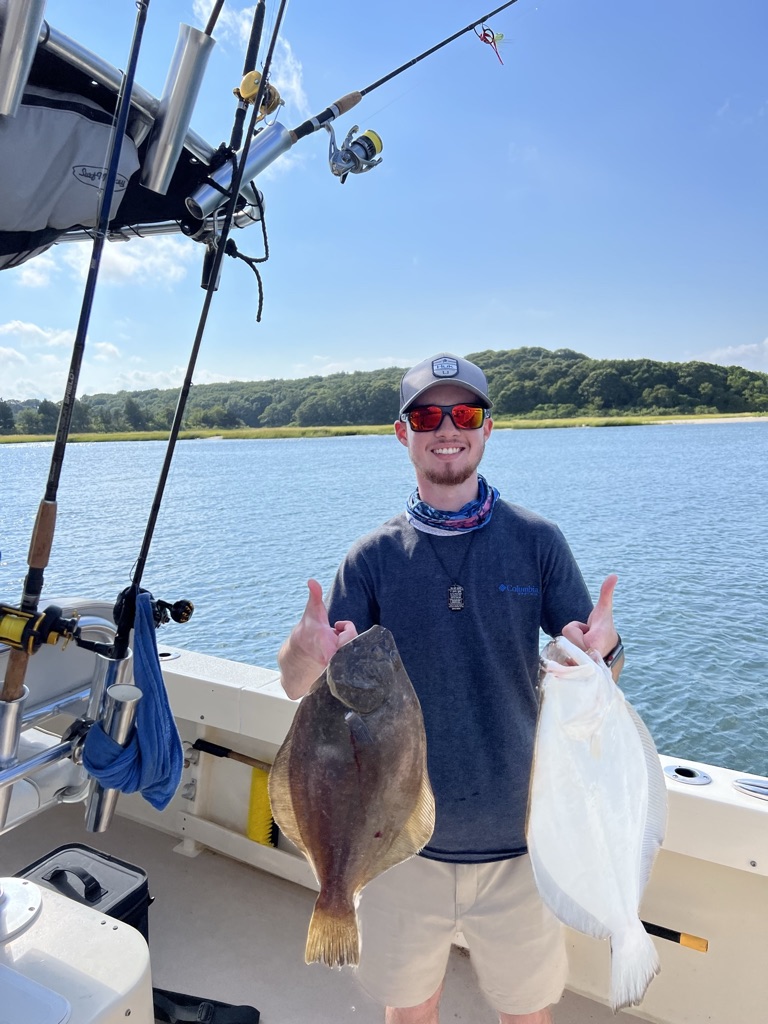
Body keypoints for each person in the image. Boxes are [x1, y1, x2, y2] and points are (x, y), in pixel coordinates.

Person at [278, 352, 623, 1024]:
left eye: (464, 414)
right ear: (402, 433)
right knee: (410, 1011)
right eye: (426, 416)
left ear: (487, 428)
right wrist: (302, 649)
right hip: (396, 842)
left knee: (527, 1012)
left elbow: (595, 670)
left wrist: (600, 653)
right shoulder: (371, 558)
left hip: (523, 839)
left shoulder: (537, 541)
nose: (446, 429)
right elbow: (300, 687)